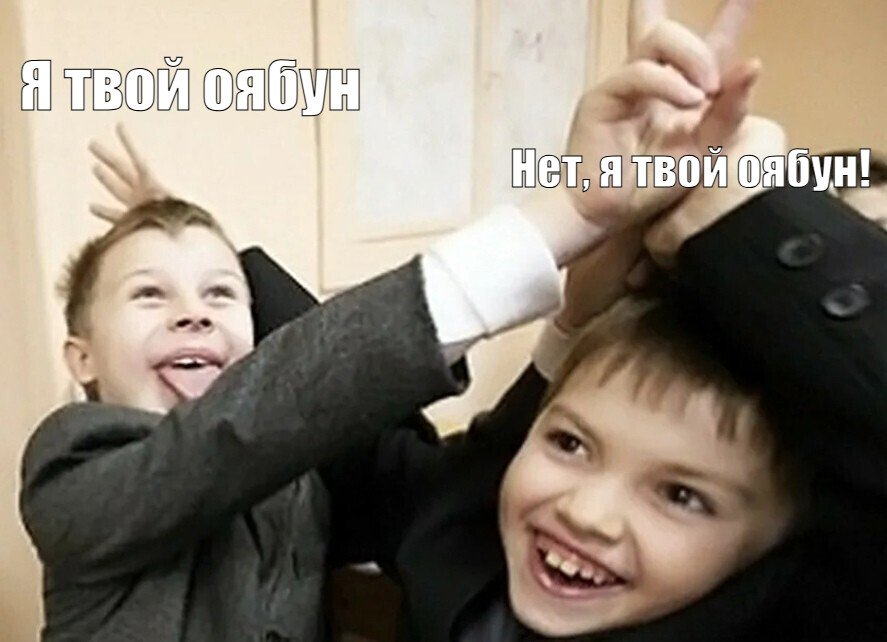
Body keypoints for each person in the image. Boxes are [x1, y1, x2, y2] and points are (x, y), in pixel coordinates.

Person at [19, 3, 761, 639]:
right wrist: (567, 212)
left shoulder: (300, 480)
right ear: (81, 357)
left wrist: (572, 319)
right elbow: (241, 428)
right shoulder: (72, 470)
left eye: (221, 293)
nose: (193, 314)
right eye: (150, 295)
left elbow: (445, 490)